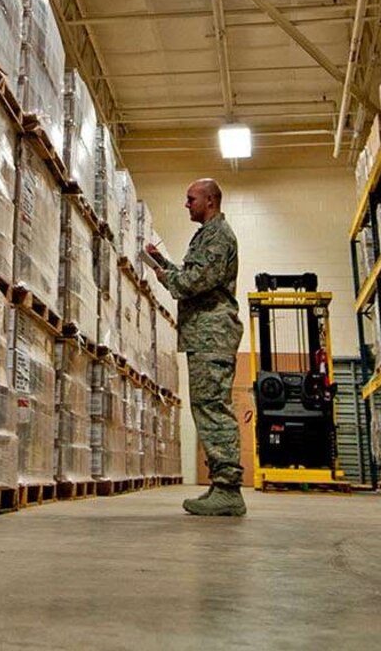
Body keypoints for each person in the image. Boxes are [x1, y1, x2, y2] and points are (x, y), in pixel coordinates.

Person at [145, 177, 245, 516]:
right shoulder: (208, 235)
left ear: (210, 201)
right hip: (204, 335)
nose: (186, 205)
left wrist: (168, 278)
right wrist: (165, 267)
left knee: (213, 407)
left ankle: (230, 488)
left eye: (191, 199)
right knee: (205, 406)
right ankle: (221, 483)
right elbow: (191, 275)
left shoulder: (218, 235)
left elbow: (194, 282)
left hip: (212, 335)